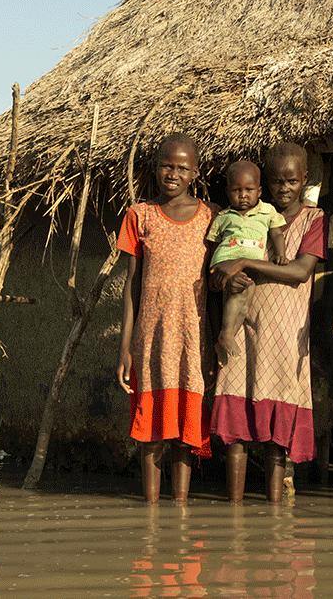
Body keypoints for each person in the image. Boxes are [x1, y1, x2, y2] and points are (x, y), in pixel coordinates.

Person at [208, 142, 326, 503]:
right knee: (236, 433)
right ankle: (235, 510)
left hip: (285, 334)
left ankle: (275, 510)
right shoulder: (251, 216)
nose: (283, 188)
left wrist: (245, 265)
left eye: (291, 181)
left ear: (304, 179)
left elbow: (300, 271)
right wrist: (225, 276)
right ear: (264, 184)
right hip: (243, 327)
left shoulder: (313, 219)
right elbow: (219, 265)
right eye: (276, 181)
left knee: (278, 436)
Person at [116, 133, 217, 503]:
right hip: (151, 338)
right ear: (156, 166)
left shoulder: (211, 217)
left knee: (185, 432)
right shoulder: (139, 216)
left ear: (194, 172)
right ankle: (152, 513)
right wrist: (124, 347)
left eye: (182, 167)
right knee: (151, 431)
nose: (173, 173)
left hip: (192, 337)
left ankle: (181, 509)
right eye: (166, 165)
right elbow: (132, 286)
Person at [207, 159, 288, 364]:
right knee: (241, 290)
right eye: (236, 190)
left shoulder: (267, 211)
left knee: (247, 296)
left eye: (249, 189)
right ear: (227, 192)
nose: (243, 195)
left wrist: (281, 254)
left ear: (259, 191)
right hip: (226, 260)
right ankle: (225, 334)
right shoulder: (223, 216)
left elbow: (277, 234)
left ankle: (225, 336)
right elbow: (214, 245)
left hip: (247, 263)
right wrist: (215, 269)